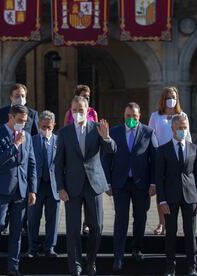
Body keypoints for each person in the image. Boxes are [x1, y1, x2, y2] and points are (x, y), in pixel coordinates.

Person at [55, 96, 116, 276]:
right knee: (73, 229)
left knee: (96, 227)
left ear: (87, 110)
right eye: (74, 110)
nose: (77, 113)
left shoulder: (96, 129)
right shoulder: (64, 133)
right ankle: (76, 266)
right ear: (70, 111)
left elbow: (113, 150)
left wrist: (107, 137)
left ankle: (90, 261)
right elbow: (58, 163)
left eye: (81, 110)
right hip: (72, 187)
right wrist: (60, 187)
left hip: (94, 184)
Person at [102, 102, 157, 271]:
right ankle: (118, 256)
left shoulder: (148, 132)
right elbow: (107, 158)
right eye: (128, 116)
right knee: (121, 219)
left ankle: (136, 249)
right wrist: (107, 182)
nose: (131, 119)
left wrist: (154, 183)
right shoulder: (115, 132)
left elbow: (154, 160)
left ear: (139, 116)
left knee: (140, 218)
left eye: (134, 116)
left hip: (142, 183)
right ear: (123, 116)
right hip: (120, 183)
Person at [0, 104, 37, 276]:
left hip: (21, 190)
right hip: (1, 188)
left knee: (16, 231)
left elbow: (31, 164)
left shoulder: (28, 137)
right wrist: (15, 145)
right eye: (19, 121)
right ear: (10, 117)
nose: (22, 124)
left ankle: (13, 267)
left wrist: (32, 189)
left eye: (24, 121)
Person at [155, 114, 197, 276]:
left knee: (190, 233)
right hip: (170, 197)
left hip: (190, 196)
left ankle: (192, 267)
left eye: (185, 127)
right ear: (173, 128)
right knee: (171, 233)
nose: (183, 130)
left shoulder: (194, 148)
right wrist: (161, 200)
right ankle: (170, 267)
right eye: (180, 127)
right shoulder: (163, 150)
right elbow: (159, 178)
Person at [0, 83, 38, 234]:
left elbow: (35, 138)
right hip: (5, 163)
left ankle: (21, 226)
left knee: (21, 200)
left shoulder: (32, 114)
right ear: (11, 97)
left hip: (23, 162)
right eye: (17, 96)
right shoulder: (1, 113)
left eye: (23, 96)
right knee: (1, 210)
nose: (20, 98)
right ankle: (3, 226)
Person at [148, 86, 191, 235]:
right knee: (161, 191)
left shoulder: (182, 115)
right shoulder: (155, 116)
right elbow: (151, 136)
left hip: (177, 156)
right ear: (163, 99)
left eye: (173, 97)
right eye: (167, 97)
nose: (170, 100)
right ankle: (161, 222)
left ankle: (173, 223)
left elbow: (188, 137)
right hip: (161, 156)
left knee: (178, 190)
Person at [64, 84, 98, 235]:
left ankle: (87, 223)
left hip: (88, 159)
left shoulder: (93, 112)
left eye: (88, 97)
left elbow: (96, 131)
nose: (86, 98)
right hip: (74, 158)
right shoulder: (70, 113)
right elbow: (65, 131)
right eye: (83, 95)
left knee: (90, 202)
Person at [26, 110, 60, 258]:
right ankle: (32, 248)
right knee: (33, 218)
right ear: (39, 125)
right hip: (36, 186)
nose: (46, 130)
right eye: (43, 126)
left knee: (53, 218)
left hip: (54, 186)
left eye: (49, 127)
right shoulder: (31, 140)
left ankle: (50, 247)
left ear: (54, 126)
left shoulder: (59, 141)